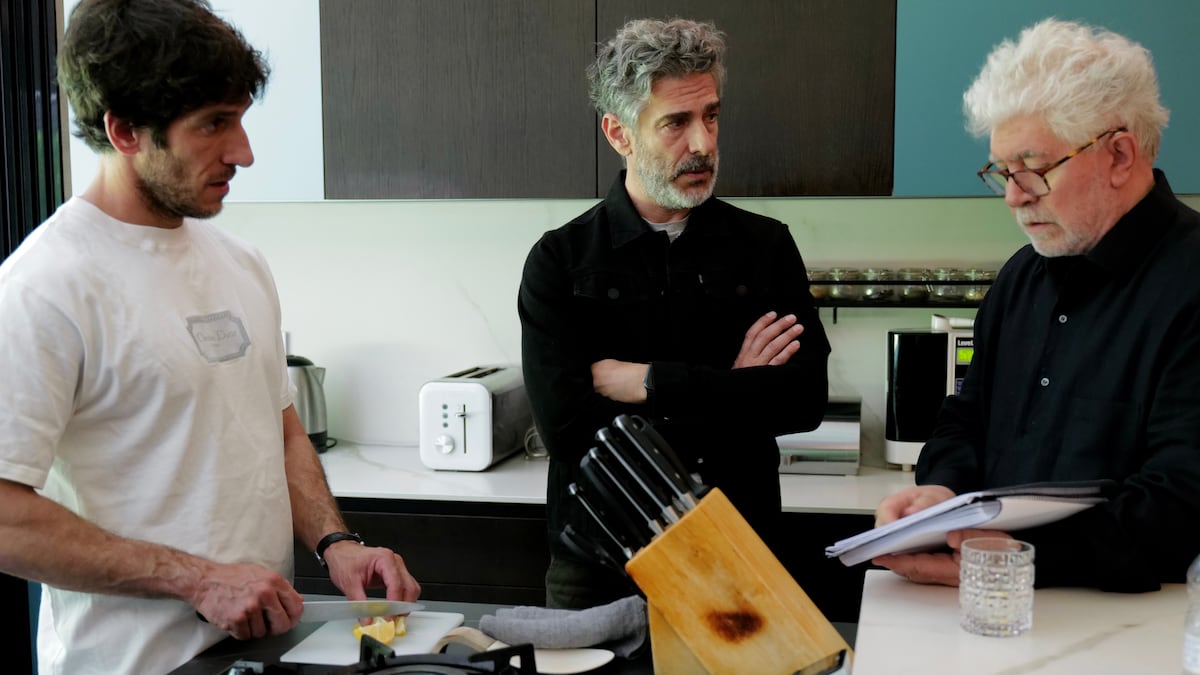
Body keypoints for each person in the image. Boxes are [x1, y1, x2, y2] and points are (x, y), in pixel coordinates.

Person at [0, 2, 420, 672]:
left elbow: (280, 429)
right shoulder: (43, 286)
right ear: (125, 130)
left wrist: (336, 542)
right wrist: (195, 579)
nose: (243, 152)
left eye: (241, 119)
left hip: (259, 653)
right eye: (214, 124)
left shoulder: (241, 262)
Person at [873, 18, 1200, 592]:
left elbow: (1181, 500)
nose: (1012, 196)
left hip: (1136, 623)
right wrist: (942, 492)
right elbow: (963, 420)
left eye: (1034, 169)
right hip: (992, 603)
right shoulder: (1021, 277)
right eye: (1002, 171)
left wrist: (1021, 557)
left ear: (1120, 155)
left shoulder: (1191, 281)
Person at [518, 18, 830, 609]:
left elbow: (803, 400)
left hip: (739, 551)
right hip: (602, 564)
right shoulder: (560, 260)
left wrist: (648, 383)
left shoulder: (764, 247)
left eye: (711, 116)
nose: (703, 143)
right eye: (676, 123)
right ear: (619, 133)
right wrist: (734, 388)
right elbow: (568, 432)